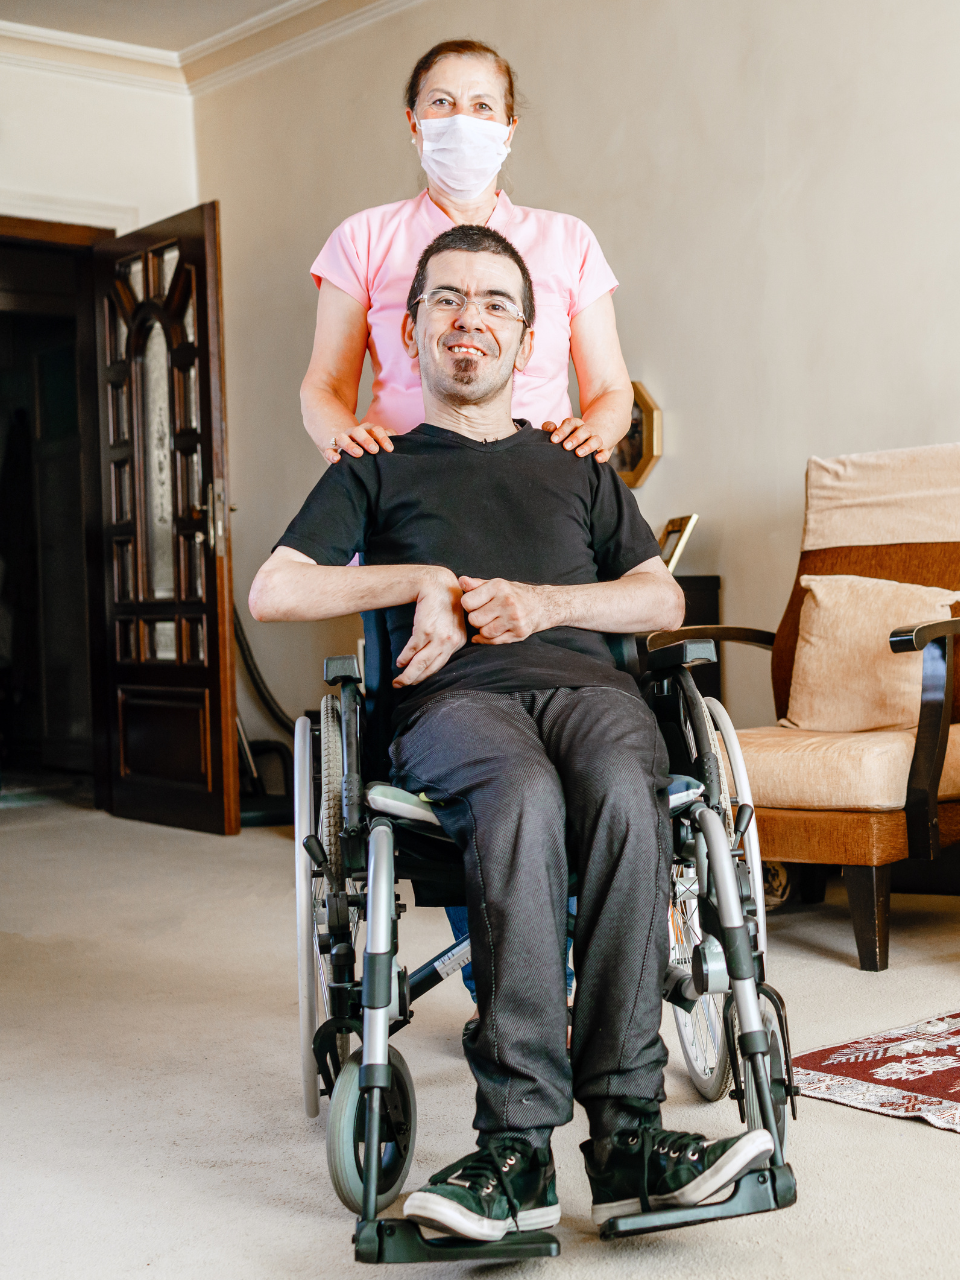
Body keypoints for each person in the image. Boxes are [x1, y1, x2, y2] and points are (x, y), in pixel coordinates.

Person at [251, 226, 774, 1242]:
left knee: (628, 790)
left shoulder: (576, 465)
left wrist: (540, 603)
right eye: (446, 300)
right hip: (455, 706)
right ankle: (518, 1145)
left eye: (495, 302)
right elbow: (277, 586)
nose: (469, 319)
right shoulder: (376, 465)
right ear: (409, 333)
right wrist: (423, 582)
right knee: (523, 793)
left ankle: (628, 1139)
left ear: (526, 339)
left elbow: (657, 596)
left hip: (589, 693)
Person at [302, 39, 634, 993]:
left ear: (510, 126)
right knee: (466, 729)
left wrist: (585, 439)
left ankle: (578, 954)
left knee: (585, 720)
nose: (463, 122)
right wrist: (352, 454)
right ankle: (514, 973)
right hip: (415, 506)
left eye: (483, 106)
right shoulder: (364, 238)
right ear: (414, 122)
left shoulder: (566, 240)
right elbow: (326, 386)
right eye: (441, 104)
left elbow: (609, 390)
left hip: (539, 492)